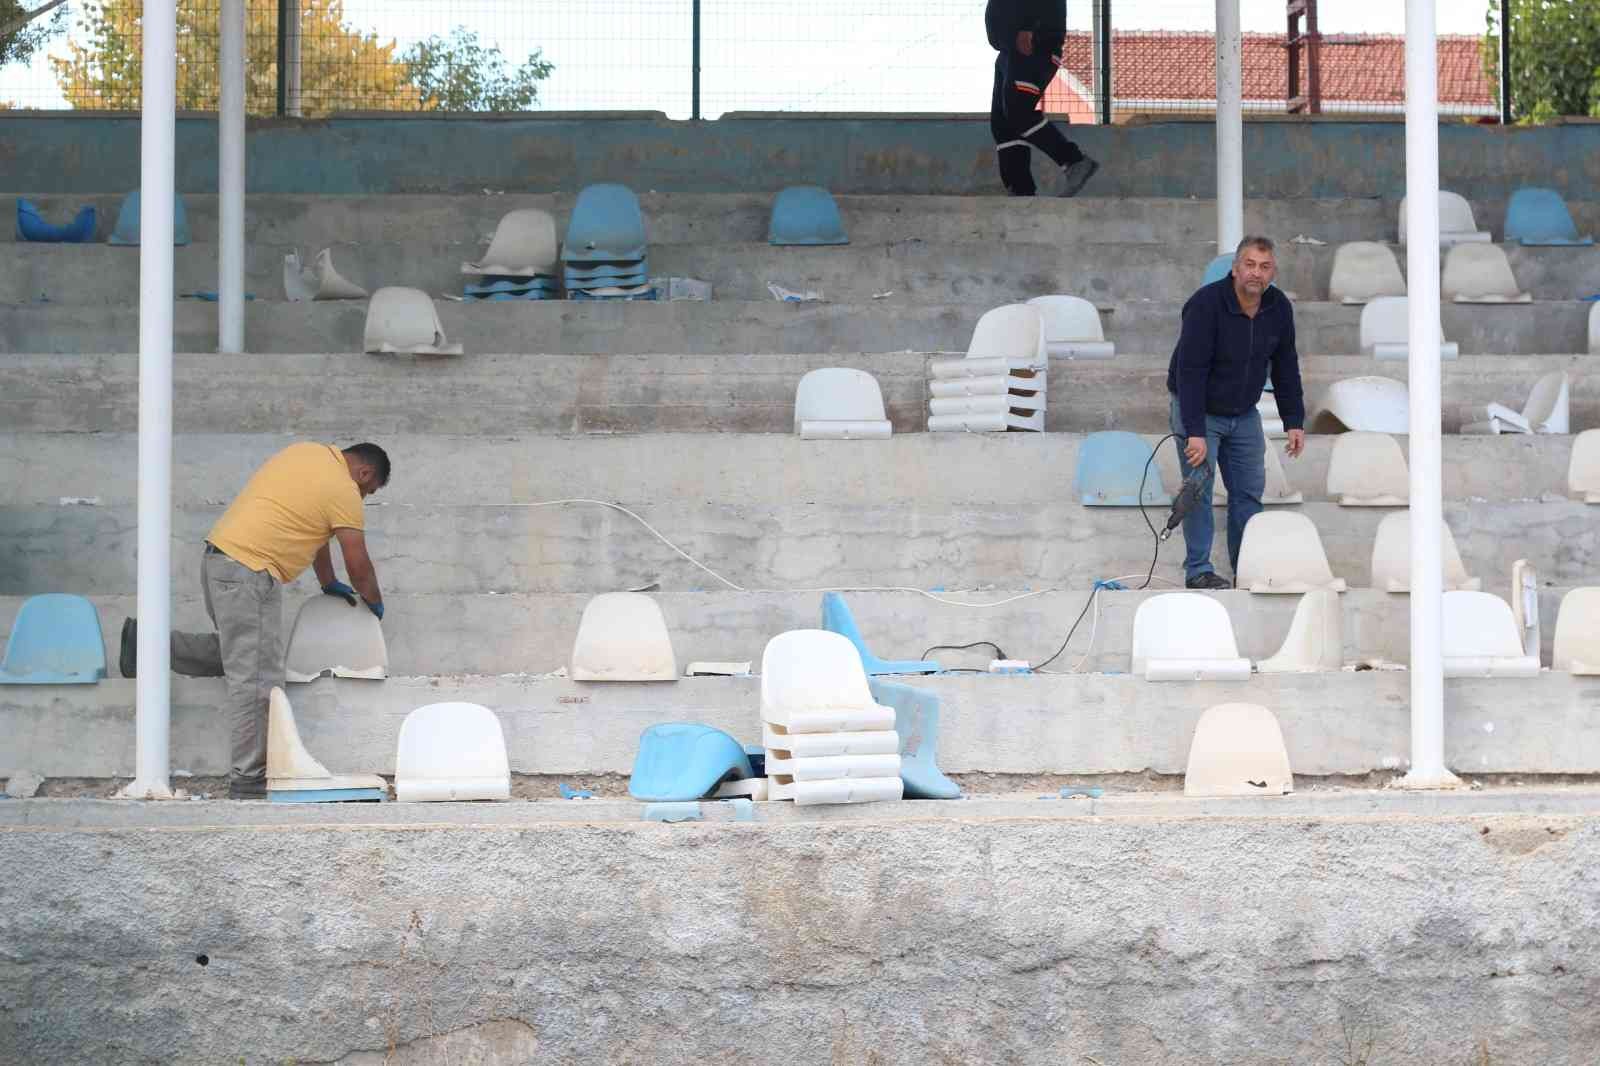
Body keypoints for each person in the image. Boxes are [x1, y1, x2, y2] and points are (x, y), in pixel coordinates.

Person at [120, 442, 390, 798]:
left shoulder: (308, 454)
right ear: (365, 473)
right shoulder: (344, 489)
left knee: (246, 657)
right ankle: (248, 778)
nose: (363, 498)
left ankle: (144, 646)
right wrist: (374, 601)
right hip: (249, 571)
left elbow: (316, 532)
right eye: (367, 492)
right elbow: (359, 563)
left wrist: (326, 581)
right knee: (256, 678)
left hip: (220, 560)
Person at [1166, 236, 1305, 590]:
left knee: (1248, 493)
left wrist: (1294, 421)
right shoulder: (1205, 304)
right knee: (1198, 489)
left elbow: (1286, 365)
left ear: (1273, 271)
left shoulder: (1278, 308)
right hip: (1198, 409)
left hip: (1243, 413)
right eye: (1249, 264)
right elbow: (1190, 371)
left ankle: (1246, 566)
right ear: (1235, 268)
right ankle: (1198, 569)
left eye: (1264, 266)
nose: (1256, 273)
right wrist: (1194, 430)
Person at [985, 0, 1099, 198]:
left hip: (1034, 43)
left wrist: (1028, 26)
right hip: (1009, 48)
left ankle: (1074, 161)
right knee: (1002, 124)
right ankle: (1020, 189)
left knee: (1018, 111)